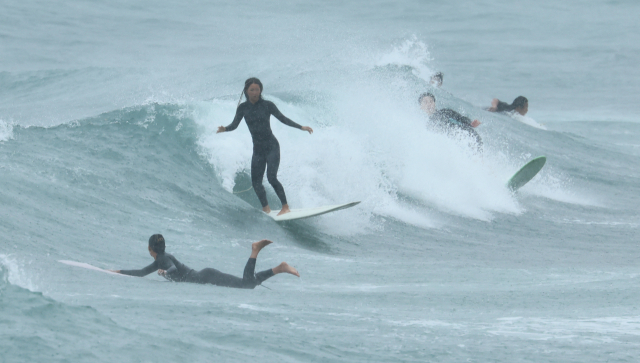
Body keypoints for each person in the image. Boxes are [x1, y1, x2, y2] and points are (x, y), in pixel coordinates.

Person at [217, 78, 313, 216]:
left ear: (261, 90)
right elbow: (234, 125)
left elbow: (283, 118)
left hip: (272, 146)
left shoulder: (268, 105)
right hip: (258, 150)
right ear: (246, 91)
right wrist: (224, 129)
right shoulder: (243, 108)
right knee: (256, 182)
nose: (255, 92)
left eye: (257, 89)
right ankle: (266, 208)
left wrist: (301, 127)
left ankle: (285, 206)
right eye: (252, 90)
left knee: (271, 177)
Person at [111, 234, 299, 288]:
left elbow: (174, 269)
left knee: (246, 285)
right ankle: (279, 268)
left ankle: (255, 250)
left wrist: (164, 273)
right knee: (248, 283)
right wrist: (119, 272)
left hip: (206, 277)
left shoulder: (163, 261)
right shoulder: (161, 259)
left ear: (150, 249)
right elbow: (142, 272)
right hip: (206, 275)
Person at [419, 93, 483, 152]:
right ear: (421, 107)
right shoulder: (425, 124)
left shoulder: (444, 112)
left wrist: (470, 123)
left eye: (431, 101)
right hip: (459, 143)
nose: (429, 104)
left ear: (434, 103)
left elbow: (460, 118)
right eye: (425, 102)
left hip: (468, 137)